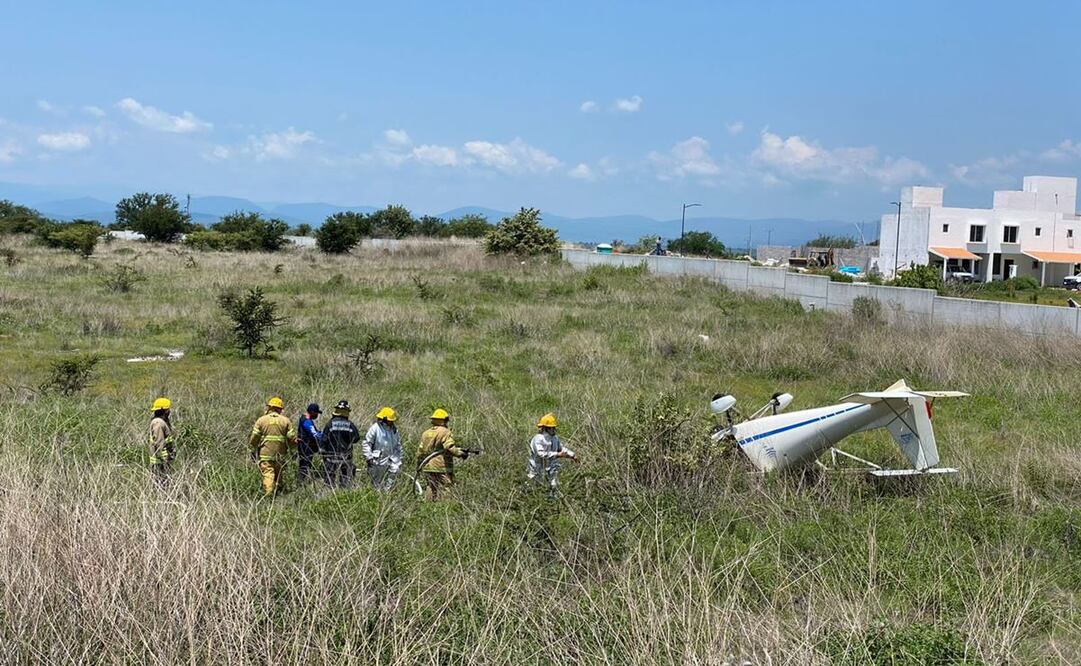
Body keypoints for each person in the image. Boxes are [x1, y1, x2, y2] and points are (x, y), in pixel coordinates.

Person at [248, 396, 297, 496]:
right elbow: (291, 438)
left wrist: (253, 448)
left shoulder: (261, 420)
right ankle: (279, 491)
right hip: (280, 454)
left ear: (269, 407)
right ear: (280, 409)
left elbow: (254, 438)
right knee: (279, 472)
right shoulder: (286, 421)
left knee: (268, 473)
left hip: (265, 454)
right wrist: (294, 449)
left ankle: (269, 495)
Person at [417, 408, 468, 500]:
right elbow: (449, 447)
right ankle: (446, 507)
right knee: (446, 485)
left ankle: (428, 506)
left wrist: (419, 465)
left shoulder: (426, 433)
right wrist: (460, 454)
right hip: (441, 465)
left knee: (430, 485)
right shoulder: (445, 432)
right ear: (443, 420)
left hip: (427, 465)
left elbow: (420, 451)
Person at [527, 413, 578, 499]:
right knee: (535, 488)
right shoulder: (538, 439)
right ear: (546, 428)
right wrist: (557, 455)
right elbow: (541, 454)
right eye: (552, 427)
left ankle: (552, 503)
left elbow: (561, 448)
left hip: (551, 467)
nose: (554, 429)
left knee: (554, 485)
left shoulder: (555, 438)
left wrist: (572, 455)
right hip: (537, 468)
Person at [322, 400, 361, 488]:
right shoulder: (350, 425)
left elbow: (324, 440)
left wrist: (324, 454)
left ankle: (328, 495)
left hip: (331, 457)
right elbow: (356, 438)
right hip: (346, 457)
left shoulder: (330, 424)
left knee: (329, 481)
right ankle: (343, 493)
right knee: (346, 480)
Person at [362, 407, 402, 491]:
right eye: (390, 420)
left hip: (392, 459)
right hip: (377, 460)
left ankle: (387, 494)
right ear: (384, 419)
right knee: (376, 484)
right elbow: (367, 443)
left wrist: (398, 459)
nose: (392, 422)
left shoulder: (394, 430)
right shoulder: (375, 428)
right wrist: (369, 457)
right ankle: (376, 497)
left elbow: (398, 445)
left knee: (394, 474)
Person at [148, 397, 175, 482]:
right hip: (160, 463)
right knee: (162, 485)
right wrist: (165, 460)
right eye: (168, 409)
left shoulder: (162, 422)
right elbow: (159, 443)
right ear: (165, 411)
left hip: (162, 461)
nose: (169, 411)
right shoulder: (158, 423)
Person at [296, 403, 323, 484]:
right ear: (312, 412)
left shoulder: (304, 419)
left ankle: (302, 482)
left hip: (304, 446)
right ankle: (301, 483)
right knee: (304, 465)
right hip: (306, 447)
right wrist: (324, 435)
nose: (317, 415)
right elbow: (314, 434)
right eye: (316, 413)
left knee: (304, 465)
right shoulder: (307, 421)